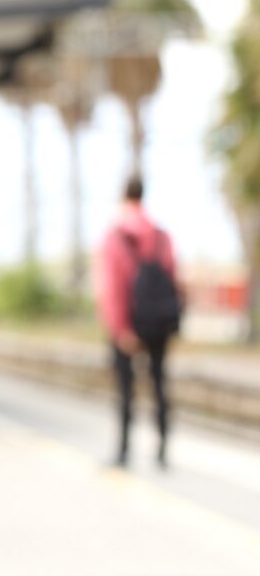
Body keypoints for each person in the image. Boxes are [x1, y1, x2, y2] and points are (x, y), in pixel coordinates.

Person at [96, 174, 182, 468]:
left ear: (123, 197)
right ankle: (162, 451)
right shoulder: (161, 235)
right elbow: (173, 277)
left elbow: (113, 287)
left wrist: (120, 328)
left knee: (125, 388)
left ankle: (123, 451)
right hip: (159, 321)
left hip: (129, 322)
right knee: (159, 383)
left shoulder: (115, 236)